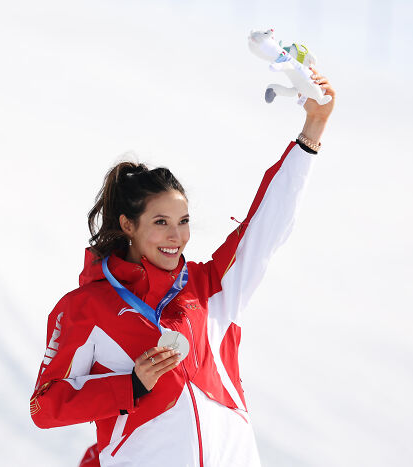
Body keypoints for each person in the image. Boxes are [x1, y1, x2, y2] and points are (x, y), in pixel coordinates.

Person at [30, 68, 335, 467]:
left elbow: (266, 224)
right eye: (161, 223)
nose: (176, 236)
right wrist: (132, 385)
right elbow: (45, 406)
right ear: (127, 225)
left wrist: (313, 129)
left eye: (183, 221)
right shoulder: (85, 308)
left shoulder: (212, 288)